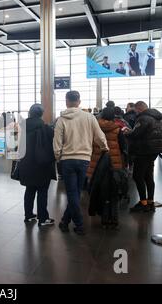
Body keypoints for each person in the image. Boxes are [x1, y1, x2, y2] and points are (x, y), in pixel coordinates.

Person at [53, 91, 109, 235]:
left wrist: (58, 157)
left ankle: (78, 224)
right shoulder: (89, 117)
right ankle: (65, 222)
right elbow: (99, 136)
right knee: (76, 192)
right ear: (79, 101)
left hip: (67, 160)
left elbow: (57, 143)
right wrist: (105, 147)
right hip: (84, 159)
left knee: (72, 193)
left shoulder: (61, 120)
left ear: (66, 101)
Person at [18, 104, 56, 227]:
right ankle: (43, 218)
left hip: (26, 163)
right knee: (42, 191)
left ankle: (28, 215)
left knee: (29, 189)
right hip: (42, 164)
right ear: (41, 114)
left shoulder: (23, 128)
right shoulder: (46, 129)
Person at [123, 101, 162, 212]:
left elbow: (136, 133)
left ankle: (143, 203)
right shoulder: (156, 117)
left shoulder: (143, 117)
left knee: (138, 176)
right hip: (154, 149)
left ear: (139, 109)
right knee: (148, 175)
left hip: (144, 150)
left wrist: (127, 132)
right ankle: (150, 202)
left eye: (136, 110)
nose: (135, 113)